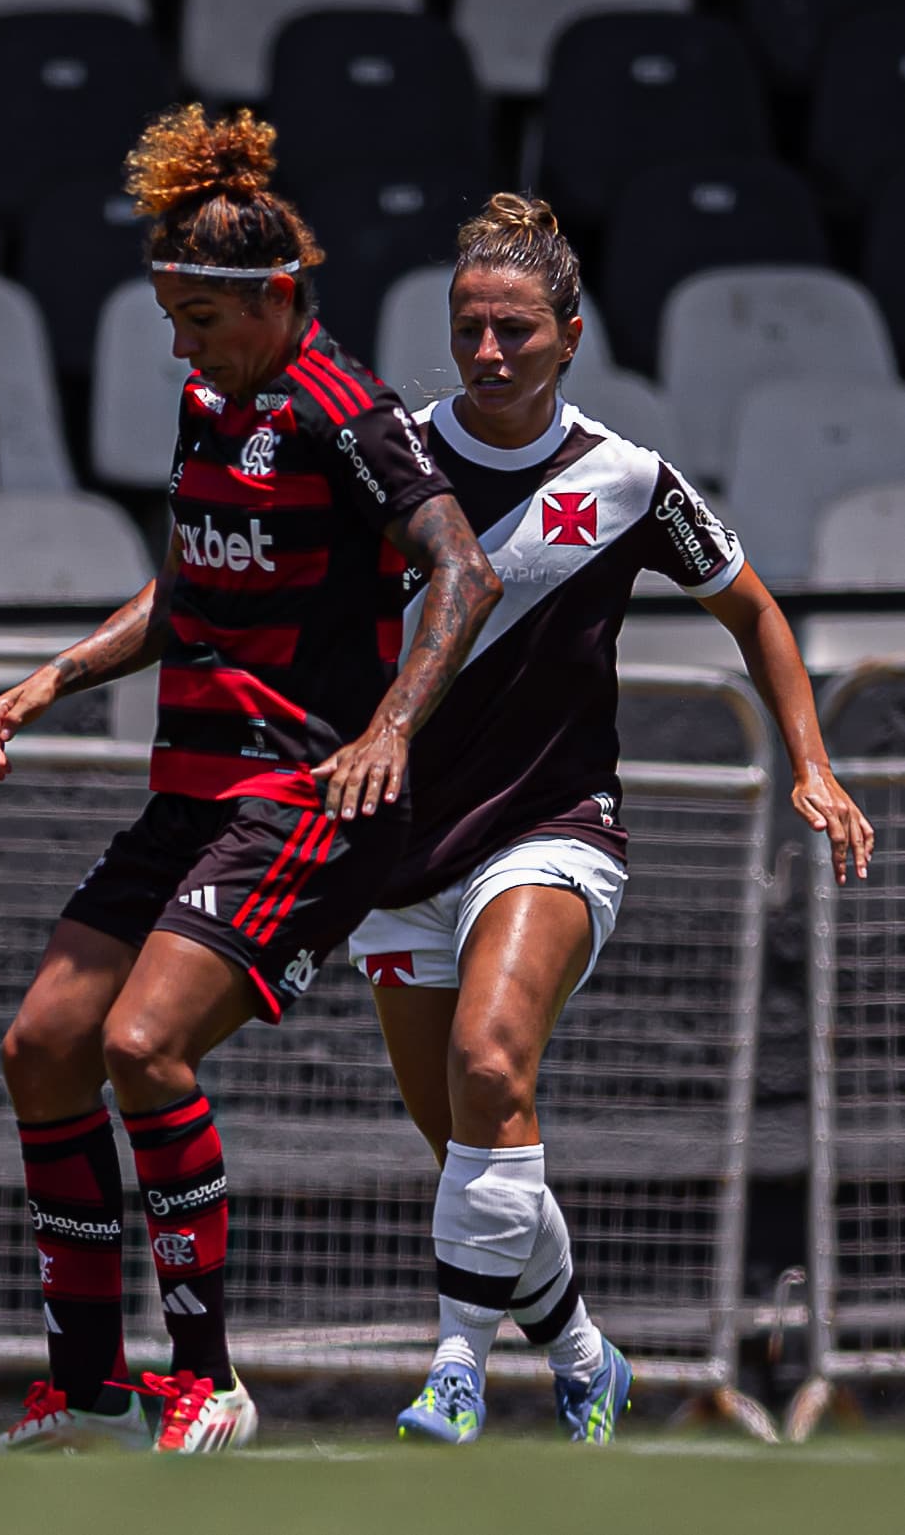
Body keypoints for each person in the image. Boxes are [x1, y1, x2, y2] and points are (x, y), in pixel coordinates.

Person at [0, 108, 504, 1455]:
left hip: (298, 795)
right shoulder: (211, 404)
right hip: (191, 790)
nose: (179, 345)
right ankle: (85, 1393)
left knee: (141, 1045)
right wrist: (54, 676)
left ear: (272, 295)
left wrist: (388, 727)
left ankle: (206, 1380)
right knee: (43, 1045)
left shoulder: (342, 409)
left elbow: (464, 569)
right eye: (170, 317)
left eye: (198, 318)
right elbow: (187, 587)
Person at [345, 194, 877, 1446]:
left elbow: (753, 609)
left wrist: (808, 762)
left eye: (514, 331)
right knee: (473, 1137)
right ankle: (585, 1354)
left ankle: (455, 1371)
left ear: (570, 335)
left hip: (551, 824)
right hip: (396, 846)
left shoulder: (628, 478)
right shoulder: (382, 456)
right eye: (467, 329)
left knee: (489, 1062)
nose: (486, 353)